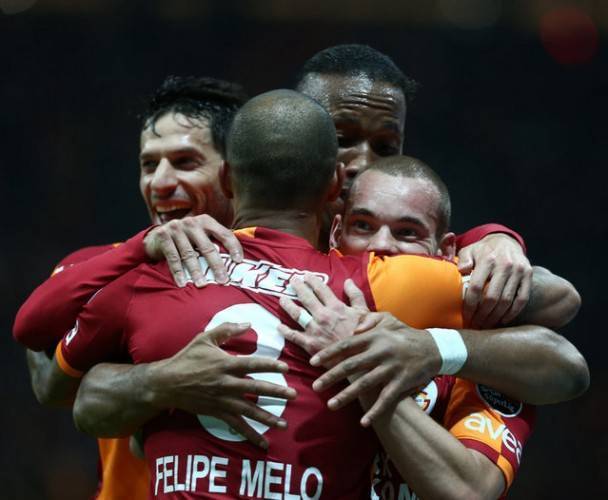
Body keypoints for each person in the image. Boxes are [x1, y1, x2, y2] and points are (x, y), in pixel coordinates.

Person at [42, 89, 531, 499]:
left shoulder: (387, 283)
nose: (164, 181)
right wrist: (165, 380)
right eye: (343, 141)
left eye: (383, 146)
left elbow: (555, 350)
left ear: (228, 176)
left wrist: (489, 254)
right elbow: (63, 392)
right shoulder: (138, 270)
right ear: (332, 179)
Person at [13, 76, 295, 500]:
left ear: (234, 174)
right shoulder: (101, 269)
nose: (160, 182)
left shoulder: (291, 272)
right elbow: (47, 384)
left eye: (184, 162)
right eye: (149, 165)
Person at [277, 155, 587, 498]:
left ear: (446, 251)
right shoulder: (290, 295)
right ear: (336, 234)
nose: (381, 246)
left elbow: (470, 491)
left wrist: (430, 348)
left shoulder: (481, 348)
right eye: (363, 226)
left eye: (407, 233)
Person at [294, 43, 534, 329]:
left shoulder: (412, 249)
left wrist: (497, 240)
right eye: (342, 140)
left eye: (385, 147)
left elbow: (560, 304)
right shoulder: (245, 237)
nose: (363, 163)